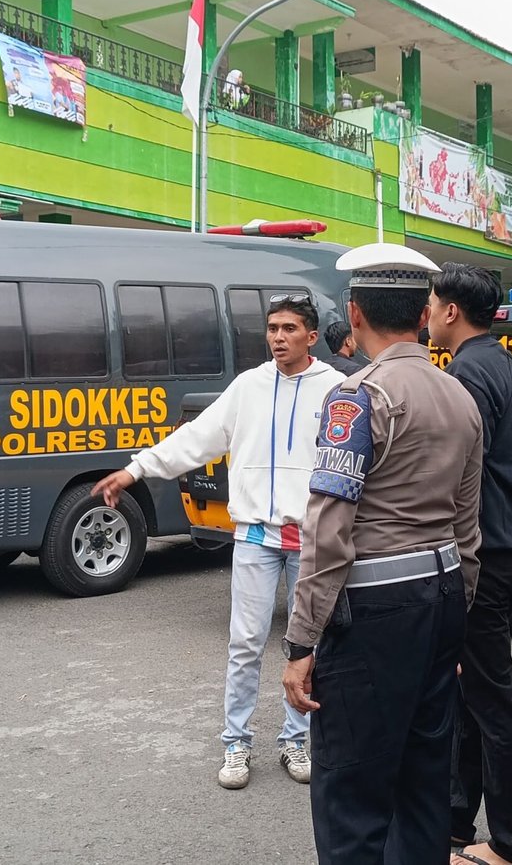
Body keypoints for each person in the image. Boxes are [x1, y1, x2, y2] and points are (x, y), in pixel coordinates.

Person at [282, 243, 484, 865]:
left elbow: (328, 529)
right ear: (425, 314)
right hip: (444, 594)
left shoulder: (355, 398)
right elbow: (467, 529)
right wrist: (453, 627)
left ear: (355, 313)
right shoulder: (460, 398)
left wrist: (300, 643)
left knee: (351, 791)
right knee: (423, 783)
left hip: (373, 608)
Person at [94, 295, 345, 789]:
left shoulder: (337, 389)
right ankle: (237, 743)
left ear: (311, 336)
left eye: (289, 328)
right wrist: (134, 470)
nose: (277, 337)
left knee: (308, 646)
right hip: (254, 535)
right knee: (245, 644)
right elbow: (195, 439)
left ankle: (297, 739)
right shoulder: (248, 386)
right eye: (272, 327)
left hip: (310, 541)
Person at [427, 263, 512, 865]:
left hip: (483, 554)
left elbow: (458, 479)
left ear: (451, 311)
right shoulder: (510, 368)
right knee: (470, 692)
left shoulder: (468, 374)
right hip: (510, 545)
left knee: (493, 700)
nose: (426, 313)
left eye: (431, 303)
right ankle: (454, 819)